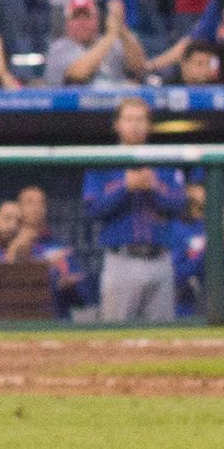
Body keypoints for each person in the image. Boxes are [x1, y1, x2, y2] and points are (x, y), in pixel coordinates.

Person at [77, 94, 184, 323]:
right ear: (117, 124)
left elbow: (179, 203)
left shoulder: (163, 161)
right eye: (129, 119)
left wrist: (154, 186)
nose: (135, 125)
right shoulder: (101, 161)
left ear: (149, 125)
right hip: (122, 260)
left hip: (160, 258)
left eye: (141, 119)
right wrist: (125, 186)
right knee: (117, 334)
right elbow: (93, 208)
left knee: (163, 338)